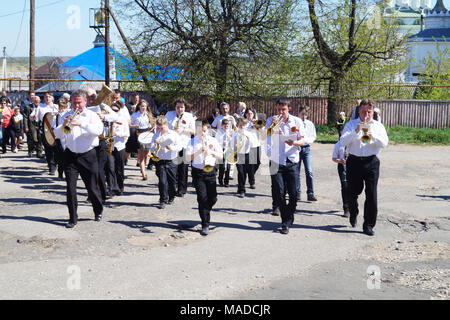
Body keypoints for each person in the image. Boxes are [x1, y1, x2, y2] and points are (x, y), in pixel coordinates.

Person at [53, 89, 104, 228]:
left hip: (88, 155)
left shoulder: (92, 115)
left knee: (92, 187)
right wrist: (64, 125)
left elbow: (99, 131)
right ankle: (72, 218)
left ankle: (98, 210)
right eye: (74, 103)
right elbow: (56, 134)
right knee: (70, 188)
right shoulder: (67, 114)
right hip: (70, 155)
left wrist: (81, 123)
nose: (76, 106)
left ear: (85, 101)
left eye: (79, 103)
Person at [339, 99, 389, 236]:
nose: (366, 115)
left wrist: (373, 136)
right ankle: (353, 212)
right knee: (352, 192)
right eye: (363, 112)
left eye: (369, 112)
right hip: (354, 161)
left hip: (371, 162)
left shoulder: (378, 126)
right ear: (358, 111)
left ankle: (368, 225)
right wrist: (356, 131)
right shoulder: (351, 124)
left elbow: (384, 143)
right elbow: (342, 141)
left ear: (372, 112)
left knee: (371, 194)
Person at [265, 98, 305, 234]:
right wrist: (271, 125)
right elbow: (264, 136)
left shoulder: (296, 122)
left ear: (289, 109)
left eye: (284, 109)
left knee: (293, 193)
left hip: (292, 159)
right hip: (276, 160)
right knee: (279, 192)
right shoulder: (272, 120)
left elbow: (302, 140)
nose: (281, 112)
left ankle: (289, 213)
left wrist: (292, 143)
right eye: (279, 109)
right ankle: (285, 221)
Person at [186, 119, 223, 236]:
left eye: (204, 131)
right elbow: (187, 158)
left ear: (208, 130)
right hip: (198, 172)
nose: (202, 133)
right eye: (200, 131)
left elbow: (221, 156)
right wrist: (198, 152)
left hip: (210, 171)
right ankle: (205, 224)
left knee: (213, 198)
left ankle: (205, 211)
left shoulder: (213, 140)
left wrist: (210, 152)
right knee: (202, 198)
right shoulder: (192, 142)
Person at [86, 87, 119, 201]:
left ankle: (102, 192)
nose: (92, 98)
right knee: (90, 170)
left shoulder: (103, 106)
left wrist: (104, 116)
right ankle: (92, 193)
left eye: (94, 96)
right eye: (89, 97)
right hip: (89, 142)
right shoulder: (84, 108)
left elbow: (115, 117)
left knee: (100, 169)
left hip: (101, 141)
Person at [165, 97, 195, 197]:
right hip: (172, 145)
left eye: (182, 107)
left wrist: (183, 129)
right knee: (173, 167)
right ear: (175, 107)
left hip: (184, 144)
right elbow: (164, 127)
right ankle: (172, 188)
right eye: (178, 107)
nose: (180, 109)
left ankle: (182, 189)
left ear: (185, 107)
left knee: (183, 168)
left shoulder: (189, 116)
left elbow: (194, 131)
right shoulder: (169, 114)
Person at [149, 116, 181, 209]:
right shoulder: (156, 135)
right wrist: (155, 144)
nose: (160, 130)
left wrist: (171, 148)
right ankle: (163, 199)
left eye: (162, 128)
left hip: (171, 160)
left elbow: (179, 147)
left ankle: (172, 196)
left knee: (172, 181)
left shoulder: (174, 134)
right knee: (162, 181)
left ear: (166, 125)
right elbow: (151, 149)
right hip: (160, 160)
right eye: (158, 128)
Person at [34, 92, 59, 175]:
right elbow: (36, 118)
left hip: (56, 131)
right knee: (48, 149)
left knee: (56, 149)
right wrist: (33, 117)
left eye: (49, 96)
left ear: (52, 98)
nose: (47, 98)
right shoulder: (40, 107)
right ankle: (51, 166)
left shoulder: (57, 107)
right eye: (46, 97)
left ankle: (55, 163)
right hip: (45, 130)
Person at [130, 99, 155, 180]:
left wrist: (154, 126)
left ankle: (142, 167)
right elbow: (129, 124)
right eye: (142, 106)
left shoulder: (149, 115)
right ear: (139, 106)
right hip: (139, 134)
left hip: (148, 134)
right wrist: (134, 126)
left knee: (146, 155)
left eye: (144, 106)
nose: (143, 107)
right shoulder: (135, 115)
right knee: (141, 155)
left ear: (147, 107)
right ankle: (144, 174)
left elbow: (153, 124)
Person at [296, 105, 317, 202]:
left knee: (309, 171)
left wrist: (305, 141)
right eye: (302, 114)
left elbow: (313, 136)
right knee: (296, 171)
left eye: (306, 114)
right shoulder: (295, 122)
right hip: (297, 148)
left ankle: (310, 193)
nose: (304, 116)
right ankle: (297, 192)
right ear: (299, 113)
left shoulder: (310, 124)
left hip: (306, 148)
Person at [109, 102, 130, 195]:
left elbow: (127, 133)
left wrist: (117, 134)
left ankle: (120, 187)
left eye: (116, 111)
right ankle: (112, 188)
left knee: (119, 169)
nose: (114, 112)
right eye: (112, 110)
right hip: (109, 146)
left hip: (120, 146)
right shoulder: (107, 119)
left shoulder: (123, 119)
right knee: (110, 168)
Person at [232, 117, 255, 198]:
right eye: (240, 125)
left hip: (247, 154)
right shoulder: (235, 134)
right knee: (241, 172)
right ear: (237, 125)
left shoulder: (248, 133)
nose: (241, 126)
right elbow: (233, 145)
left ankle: (240, 187)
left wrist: (247, 137)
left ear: (246, 125)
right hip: (238, 155)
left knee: (244, 173)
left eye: (243, 125)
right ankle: (242, 190)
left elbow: (252, 145)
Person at [52, 100, 70, 180]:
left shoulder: (69, 115)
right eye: (61, 108)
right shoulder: (56, 117)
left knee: (67, 157)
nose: (62, 109)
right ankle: (60, 174)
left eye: (64, 108)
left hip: (67, 137)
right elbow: (53, 127)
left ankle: (68, 174)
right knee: (60, 158)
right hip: (59, 138)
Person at [244, 107, 262, 187]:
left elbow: (262, 131)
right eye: (248, 113)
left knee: (257, 162)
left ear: (253, 114)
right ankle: (252, 182)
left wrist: (256, 125)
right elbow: (242, 131)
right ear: (245, 114)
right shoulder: (244, 122)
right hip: (249, 145)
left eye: (251, 113)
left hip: (257, 144)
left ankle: (250, 173)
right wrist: (250, 128)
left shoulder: (257, 121)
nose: (249, 115)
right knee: (251, 164)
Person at [332, 140, 350, 217]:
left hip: (353, 167)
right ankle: (346, 209)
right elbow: (334, 158)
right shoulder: (338, 145)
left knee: (353, 188)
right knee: (345, 187)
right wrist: (340, 160)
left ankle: (353, 206)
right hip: (342, 167)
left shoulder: (353, 144)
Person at [215, 119, 232, 187]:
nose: (226, 127)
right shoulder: (219, 132)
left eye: (227, 126)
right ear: (222, 125)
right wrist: (222, 143)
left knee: (228, 166)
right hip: (221, 149)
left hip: (228, 150)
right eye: (225, 126)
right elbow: (216, 142)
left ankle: (226, 181)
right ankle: (220, 179)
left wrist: (229, 137)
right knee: (222, 166)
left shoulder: (229, 132)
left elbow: (233, 141)